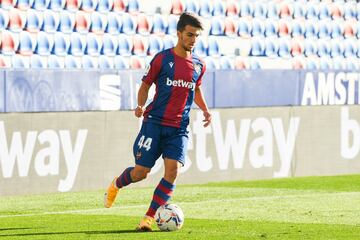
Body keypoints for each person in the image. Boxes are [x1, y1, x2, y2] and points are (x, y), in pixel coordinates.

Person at [104, 12, 211, 232]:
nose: (193, 40)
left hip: (179, 127)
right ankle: (116, 184)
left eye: (197, 36)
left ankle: (148, 218)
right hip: (154, 123)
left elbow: (196, 88)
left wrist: (206, 110)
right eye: (189, 35)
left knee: (173, 171)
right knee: (140, 172)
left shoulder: (199, 65)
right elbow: (145, 86)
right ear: (179, 33)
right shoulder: (162, 59)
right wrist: (140, 105)